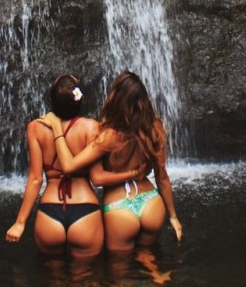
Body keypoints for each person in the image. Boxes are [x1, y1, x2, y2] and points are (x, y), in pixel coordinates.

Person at [39, 70, 182, 252]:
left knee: (119, 271)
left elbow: (70, 167)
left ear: (115, 98)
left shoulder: (108, 136)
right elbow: (162, 177)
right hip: (151, 203)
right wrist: (173, 217)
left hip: (119, 207)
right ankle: (158, 277)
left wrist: (57, 127)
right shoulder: (155, 127)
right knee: (149, 257)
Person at [5, 74, 139, 258]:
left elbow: (35, 179)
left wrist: (20, 223)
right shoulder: (91, 127)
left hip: (49, 212)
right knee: (86, 276)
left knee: (53, 276)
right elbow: (97, 176)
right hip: (85, 210)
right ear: (79, 100)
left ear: (51, 100)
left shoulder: (35, 128)